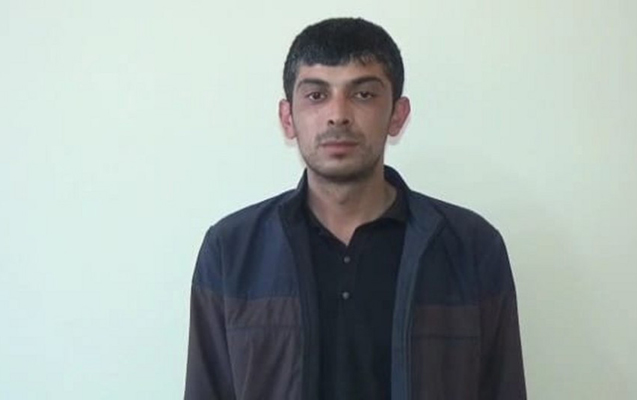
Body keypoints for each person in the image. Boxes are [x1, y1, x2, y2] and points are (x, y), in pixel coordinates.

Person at [184, 17, 526, 400]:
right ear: (287, 117)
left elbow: (503, 388)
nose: (338, 114)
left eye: (363, 94)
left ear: (397, 114)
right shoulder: (231, 250)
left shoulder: (472, 247)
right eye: (317, 95)